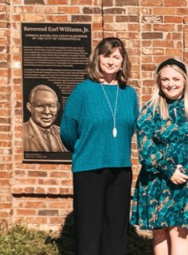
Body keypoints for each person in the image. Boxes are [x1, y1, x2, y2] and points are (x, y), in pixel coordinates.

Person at [60, 37, 139, 255]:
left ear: (123, 62)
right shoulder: (83, 91)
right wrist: (87, 148)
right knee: (90, 229)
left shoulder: (129, 94)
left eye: (116, 57)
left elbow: (130, 127)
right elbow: (67, 131)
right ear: (98, 58)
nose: (111, 61)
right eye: (107, 56)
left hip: (121, 167)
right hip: (88, 168)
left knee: (116, 229)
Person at [131, 58, 188, 255]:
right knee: (159, 232)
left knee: (179, 232)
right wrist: (168, 169)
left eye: (176, 79)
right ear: (159, 82)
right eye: (165, 79)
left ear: (185, 80)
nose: (171, 84)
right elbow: (145, 147)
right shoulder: (149, 111)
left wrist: (183, 171)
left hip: (187, 181)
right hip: (157, 179)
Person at [23, 84, 67, 152]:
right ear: (29, 107)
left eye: (52, 106)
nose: (47, 112)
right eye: (40, 106)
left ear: (58, 107)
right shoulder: (21, 132)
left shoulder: (63, 133)